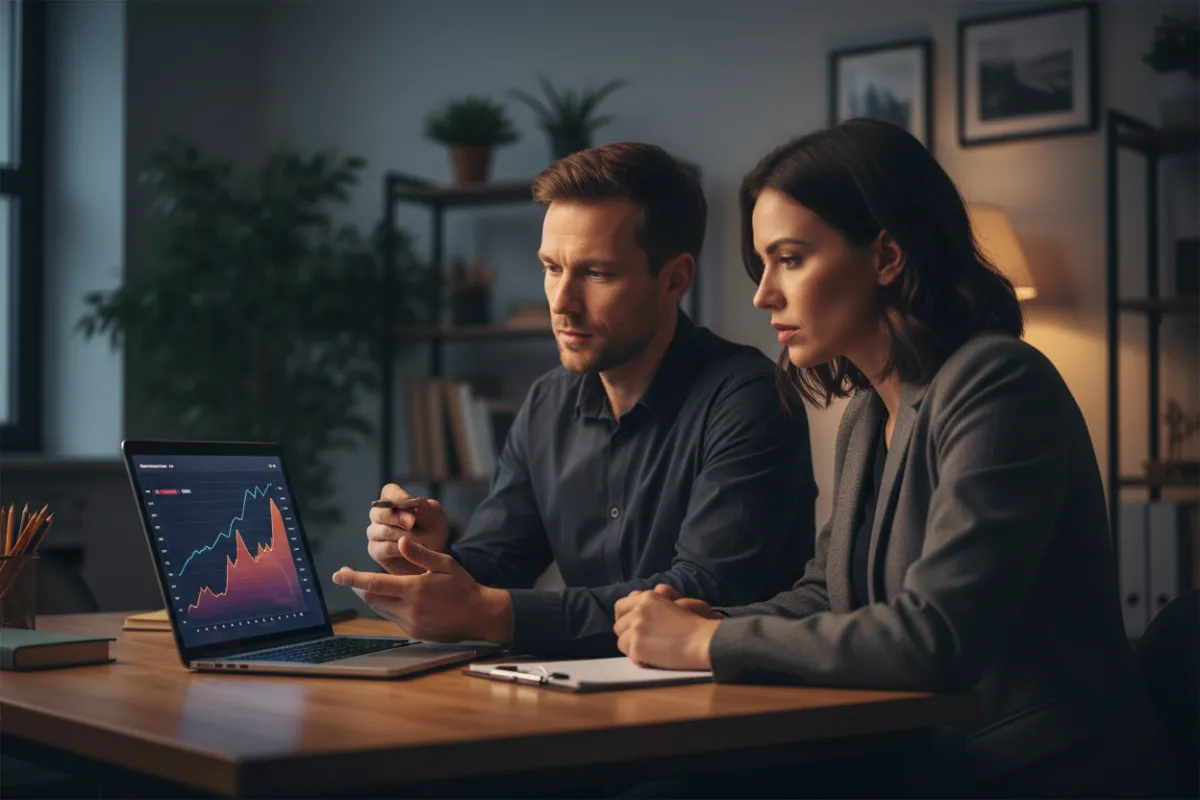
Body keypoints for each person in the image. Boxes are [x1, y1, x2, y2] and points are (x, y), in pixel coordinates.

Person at [612, 120, 1177, 798]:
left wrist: (706, 648)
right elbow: (830, 592)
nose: (763, 293)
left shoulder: (1000, 383)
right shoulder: (868, 413)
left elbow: (935, 637)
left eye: (789, 259)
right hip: (922, 759)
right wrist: (707, 622)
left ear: (886, 255)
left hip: (1039, 774)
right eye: (761, 264)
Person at [333, 142, 818, 658]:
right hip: (587, 702)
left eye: (596, 273)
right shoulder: (548, 403)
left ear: (675, 278)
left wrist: (490, 612)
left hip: (725, 713)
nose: (561, 303)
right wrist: (428, 557)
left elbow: (702, 591)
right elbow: (498, 559)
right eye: (551, 268)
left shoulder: (750, 398)